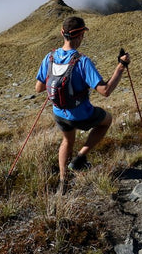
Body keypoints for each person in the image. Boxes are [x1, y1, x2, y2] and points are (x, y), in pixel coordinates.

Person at [35, 16, 129, 193]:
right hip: (81, 114)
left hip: (59, 113)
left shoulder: (49, 57)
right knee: (106, 120)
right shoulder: (82, 61)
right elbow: (105, 91)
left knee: (67, 140)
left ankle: (63, 181)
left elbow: (39, 87)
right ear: (79, 36)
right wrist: (121, 66)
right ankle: (80, 157)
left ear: (62, 33)